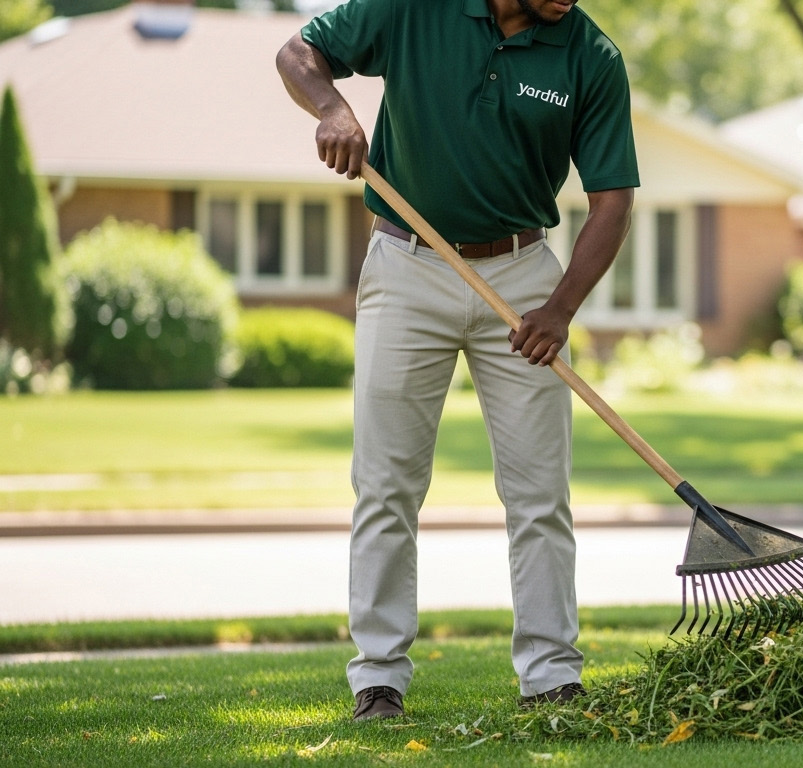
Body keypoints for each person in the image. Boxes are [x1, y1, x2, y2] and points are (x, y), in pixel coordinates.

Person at [275, 0, 637, 721]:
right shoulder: (413, 9)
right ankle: (377, 678)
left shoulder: (589, 56)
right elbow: (297, 52)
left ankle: (552, 677)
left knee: (540, 494)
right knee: (386, 484)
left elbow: (613, 200)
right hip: (407, 267)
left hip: (524, 271)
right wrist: (332, 108)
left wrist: (560, 308)